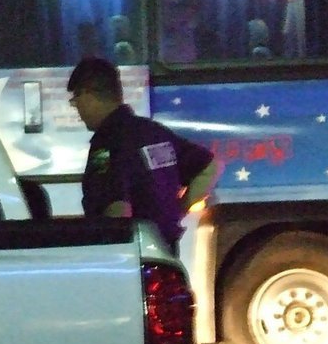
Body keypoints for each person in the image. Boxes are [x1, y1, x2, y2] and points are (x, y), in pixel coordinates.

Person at [68, 56, 221, 254]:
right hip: (166, 251)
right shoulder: (154, 132)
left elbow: (117, 209)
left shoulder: (108, 143)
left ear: (87, 94)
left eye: (75, 101)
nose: (77, 110)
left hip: (134, 257)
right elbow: (210, 167)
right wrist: (178, 210)